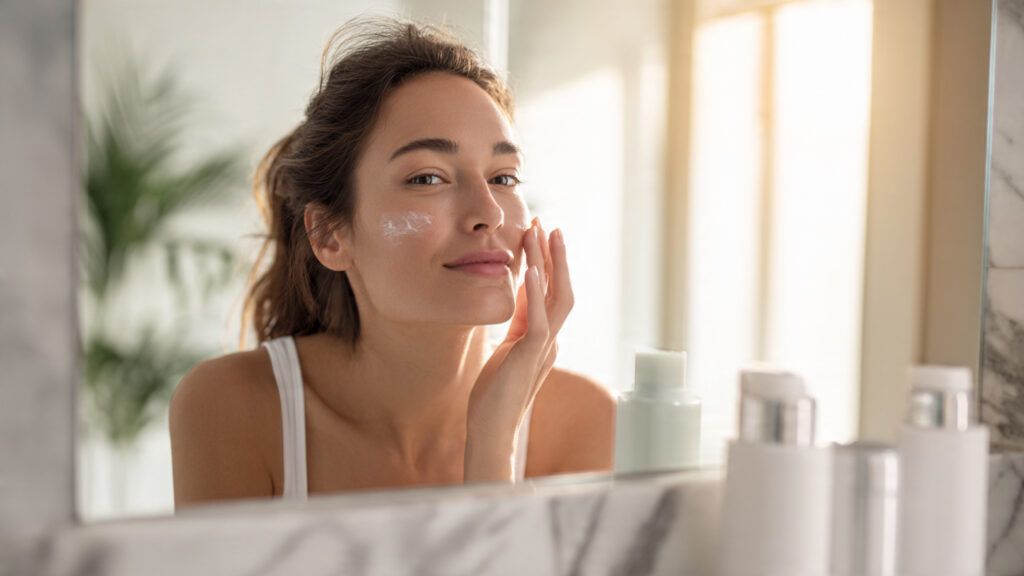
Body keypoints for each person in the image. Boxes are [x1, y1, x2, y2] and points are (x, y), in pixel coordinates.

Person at [169, 17, 615, 509]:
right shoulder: (233, 406)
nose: (488, 212)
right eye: (427, 178)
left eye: (503, 177)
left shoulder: (585, 418)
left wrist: (493, 445)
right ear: (330, 235)